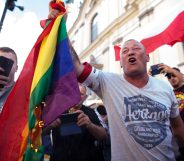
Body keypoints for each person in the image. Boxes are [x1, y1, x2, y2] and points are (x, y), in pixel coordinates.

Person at [48, 9, 184, 161]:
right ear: (120, 63)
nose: (130, 53)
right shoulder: (108, 83)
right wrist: (61, 29)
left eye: (136, 49)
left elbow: (177, 127)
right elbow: (75, 66)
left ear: (147, 57)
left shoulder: (165, 88)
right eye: (125, 51)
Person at [48, 84, 107, 161]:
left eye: (81, 94)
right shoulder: (56, 111)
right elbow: (38, 130)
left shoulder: (91, 112)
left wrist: (90, 125)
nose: (77, 96)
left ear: (85, 97)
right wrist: (49, 126)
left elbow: (104, 135)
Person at [158, 64, 184, 160]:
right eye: (169, 77)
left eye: (173, 75)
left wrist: (170, 69)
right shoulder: (168, 93)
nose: (172, 78)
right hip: (177, 141)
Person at [0, 47, 18, 113]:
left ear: (16, 68)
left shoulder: (23, 92)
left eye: (9, 62)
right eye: (1, 61)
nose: (2, 66)